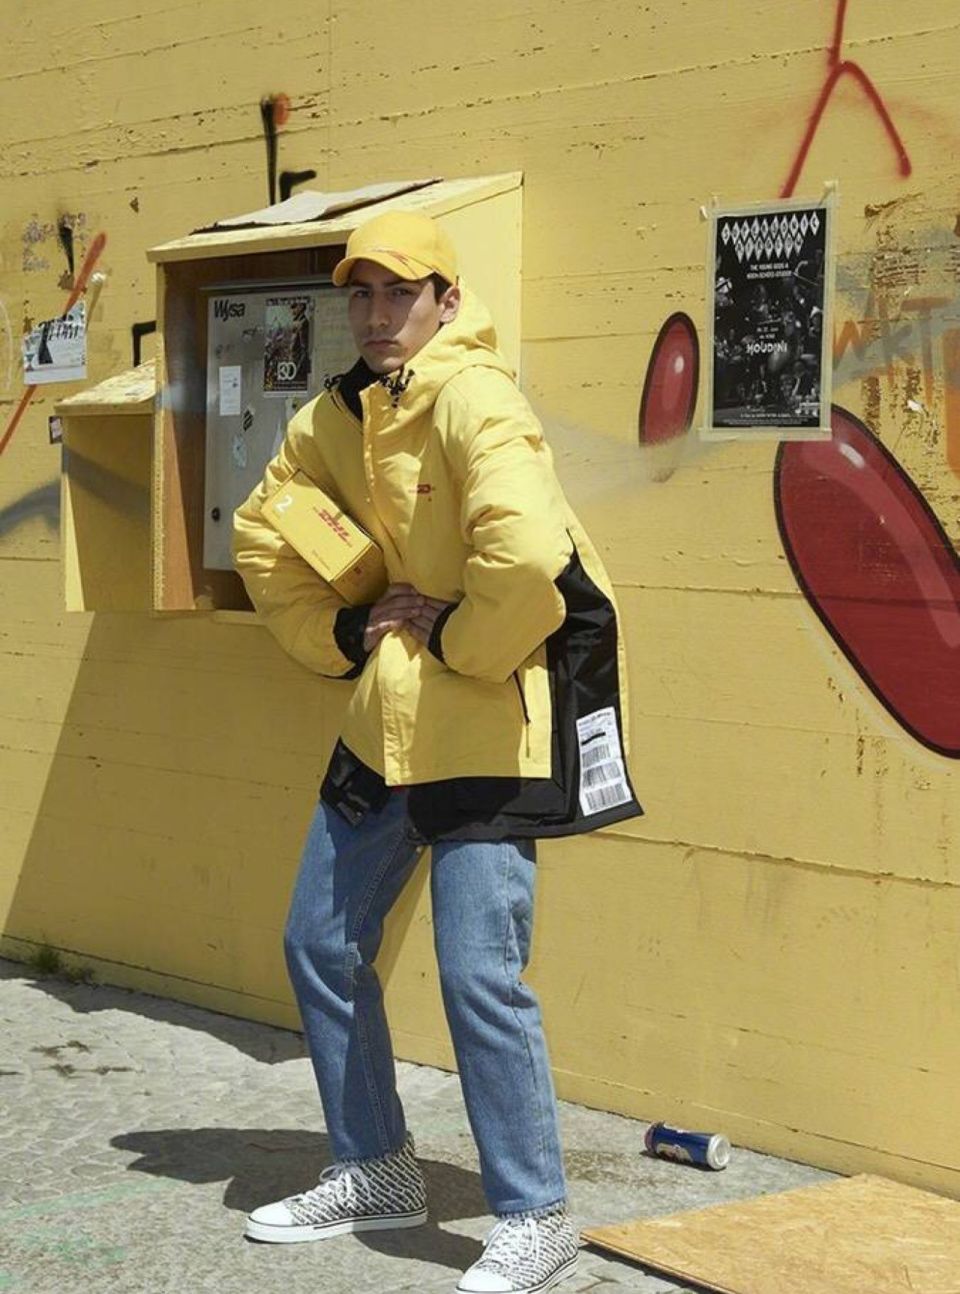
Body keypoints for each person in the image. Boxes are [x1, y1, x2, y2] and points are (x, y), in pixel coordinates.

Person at [233, 209, 642, 1294]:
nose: (377, 315)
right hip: (386, 717)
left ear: (446, 302)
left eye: (400, 293)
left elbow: (529, 553)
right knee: (319, 941)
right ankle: (374, 1168)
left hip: (490, 725)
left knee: (476, 974)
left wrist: (459, 636)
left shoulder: (476, 397)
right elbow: (266, 527)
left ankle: (536, 1216)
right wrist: (348, 625)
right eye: (361, 294)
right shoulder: (337, 413)